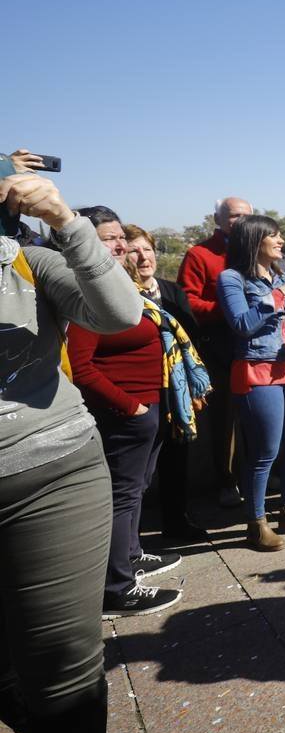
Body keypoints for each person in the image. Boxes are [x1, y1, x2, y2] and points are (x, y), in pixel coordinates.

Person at [0, 159, 143, 733]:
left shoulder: (27, 259)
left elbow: (119, 313)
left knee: (61, 672)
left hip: (48, 472)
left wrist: (66, 221)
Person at [67, 207, 195, 617]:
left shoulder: (120, 286)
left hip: (150, 404)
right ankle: (115, 589)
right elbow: (80, 367)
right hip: (126, 410)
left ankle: (131, 555)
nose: (120, 245)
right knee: (121, 496)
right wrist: (132, 407)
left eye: (121, 236)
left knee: (137, 487)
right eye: (108, 238)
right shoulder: (88, 290)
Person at [218, 215, 285, 550]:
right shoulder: (231, 279)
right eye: (275, 236)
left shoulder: (281, 274)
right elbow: (242, 324)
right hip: (258, 370)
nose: (281, 242)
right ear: (255, 241)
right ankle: (256, 522)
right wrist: (283, 292)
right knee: (264, 451)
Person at [124, 225, 210, 541]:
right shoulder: (121, 294)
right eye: (134, 249)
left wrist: (191, 384)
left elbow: (190, 337)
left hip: (176, 389)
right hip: (141, 388)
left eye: (147, 249)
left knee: (177, 457)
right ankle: (130, 538)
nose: (143, 256)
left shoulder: (172, 291)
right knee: (139, 468)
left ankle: (176, 522)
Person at [179, 196, 253, 507]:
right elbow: (187, 301)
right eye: (234, 215)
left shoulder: (253, 250)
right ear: (218, 219)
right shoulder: (200, 254)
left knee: (256, 415)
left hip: (253, 345)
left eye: (246, 215)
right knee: (224, 419)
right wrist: (228, 309)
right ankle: (226, 480)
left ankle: (255, 474)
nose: (241, 221)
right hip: (219, 346)